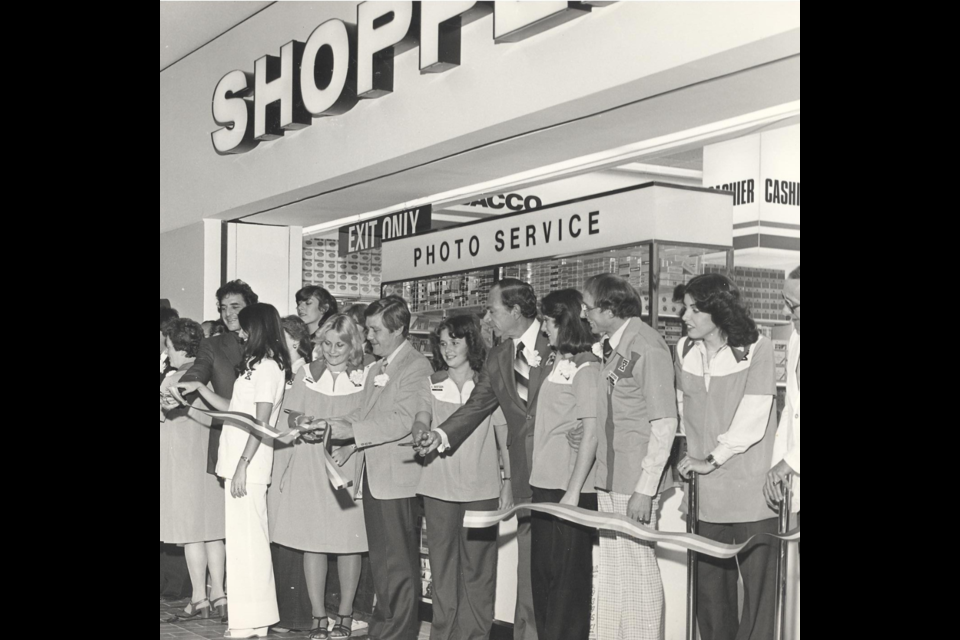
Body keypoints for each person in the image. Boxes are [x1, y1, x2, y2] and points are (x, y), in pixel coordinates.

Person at [417, 278, 553, 640]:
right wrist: (442, 435)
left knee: (547, 570)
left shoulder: (557, 342)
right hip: (525, 476)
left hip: (558, 471)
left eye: (492, 310)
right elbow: (479, 405)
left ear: (515, 311)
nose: (488, 319)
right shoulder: (499, 356)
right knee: (527, 568)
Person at [177, 303, 292, 639]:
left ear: (257, 329)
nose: (239, 334)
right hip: (237, 461)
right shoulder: (254, 366)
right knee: (243, 545)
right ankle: (251, 620)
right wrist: (199, 389)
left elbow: (260, 422)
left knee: (249, 546)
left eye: (244, 329)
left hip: (249, 466)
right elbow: (235, 410)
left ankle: (250, 622)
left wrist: (243, 465)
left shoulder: (269, 367)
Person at [675, 274, 779, 640]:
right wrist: (689, 464)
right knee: (710, 594)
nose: (684, 315)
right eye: (684, 307)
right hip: (705, 495)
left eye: (693, 308)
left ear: (717, 311)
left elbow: (754, 416)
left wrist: (711, 459)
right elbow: (683, 413)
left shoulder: (756, 348)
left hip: (751, 492)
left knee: (759, 596)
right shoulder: (684, 349)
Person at [323, 297, 433, 640]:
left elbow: (403, 420)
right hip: (375, 477)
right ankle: (383, 627)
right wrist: (330, 425)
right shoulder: (377, 367)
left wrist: (351, 433)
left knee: (398, 562)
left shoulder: (416, 367)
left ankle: (398, 632)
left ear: (399, 330)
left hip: (398, 479)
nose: (367, 337)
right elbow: (364, 415)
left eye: (374, 330)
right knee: (382, 561)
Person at [582, 274, 678, 640]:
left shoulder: (646, 346)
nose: (585, 314)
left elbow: (665, 421)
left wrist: (645, 488)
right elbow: (621, 399)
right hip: (611, 476)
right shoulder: (621, 346)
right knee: (613, 573)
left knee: (637, 574)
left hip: (633, 480)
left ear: (609, 309)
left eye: (590, 307)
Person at [271, 315, 375, 639]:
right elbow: (289, 413)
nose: (332, 351)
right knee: (311, 542)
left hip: (347, 466)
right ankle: (318, 616)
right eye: (327, 343)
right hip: (309, 466)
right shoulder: (307, 373)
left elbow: (372, 418)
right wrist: (301, 419)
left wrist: (354, 447)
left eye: (339, 344)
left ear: (353, 344)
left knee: (348, 545)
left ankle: (345, 614)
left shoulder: (366, 375)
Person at [412, 315, 511, 640]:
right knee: (442, 568)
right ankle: (442, 634)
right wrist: (421, 433)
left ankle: (474, 635)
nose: (448, 349)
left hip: (480, 490)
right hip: (438, 489)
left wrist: (508, 481)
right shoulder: (431, 382)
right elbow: (421, 418)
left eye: (455, 341)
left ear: (471, 342)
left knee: (478, 570)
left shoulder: (488, 383)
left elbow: (503, 436)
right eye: (443, 343)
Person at [528, 290, 601, 640]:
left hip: (569, 490)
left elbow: (591, 433)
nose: (544, 329)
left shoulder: (587, 366)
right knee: (544, 580)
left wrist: (573, 493)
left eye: (547, 322)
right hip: (544, 483)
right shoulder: (557, 362)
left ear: (564, 321)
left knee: (567, 589)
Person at [160, 318, 227, 621]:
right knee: (213, 530)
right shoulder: (207, 374)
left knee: (191, 533)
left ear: (177, 347)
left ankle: (199, 596)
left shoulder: (174, 379)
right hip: (210, 461)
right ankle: (219, 593)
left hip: (183, 462)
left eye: (168, 346)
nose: (167, 352)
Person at [176, 280, 260, 481]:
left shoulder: (267, 343)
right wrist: (180, 389)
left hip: (265, 440)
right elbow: (198, 370)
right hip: (228, 438)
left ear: (250, 308)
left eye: (235, 307)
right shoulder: (212, 345)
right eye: (223, 308)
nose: (228, 313)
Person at [269, 316, 317, 634]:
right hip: (277, 455)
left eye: (280, 338)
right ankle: (285, 612)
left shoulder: (304, 373)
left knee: (291, 537)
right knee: (279, 535)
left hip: (292, 458)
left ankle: (295, 615)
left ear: (296, 341)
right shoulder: (284, 372)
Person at [765, 267, 800, 526]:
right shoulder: (795, 339)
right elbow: (791, 408)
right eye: (784, 300)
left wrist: (789, 463)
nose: (786, 312)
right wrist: (779, 464)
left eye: (793, 305)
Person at [297, 286, 339, 358]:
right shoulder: (299, 337)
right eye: (299, 303)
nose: (300, 307)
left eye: (308, 303)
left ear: (324, 308)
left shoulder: (329, 339)